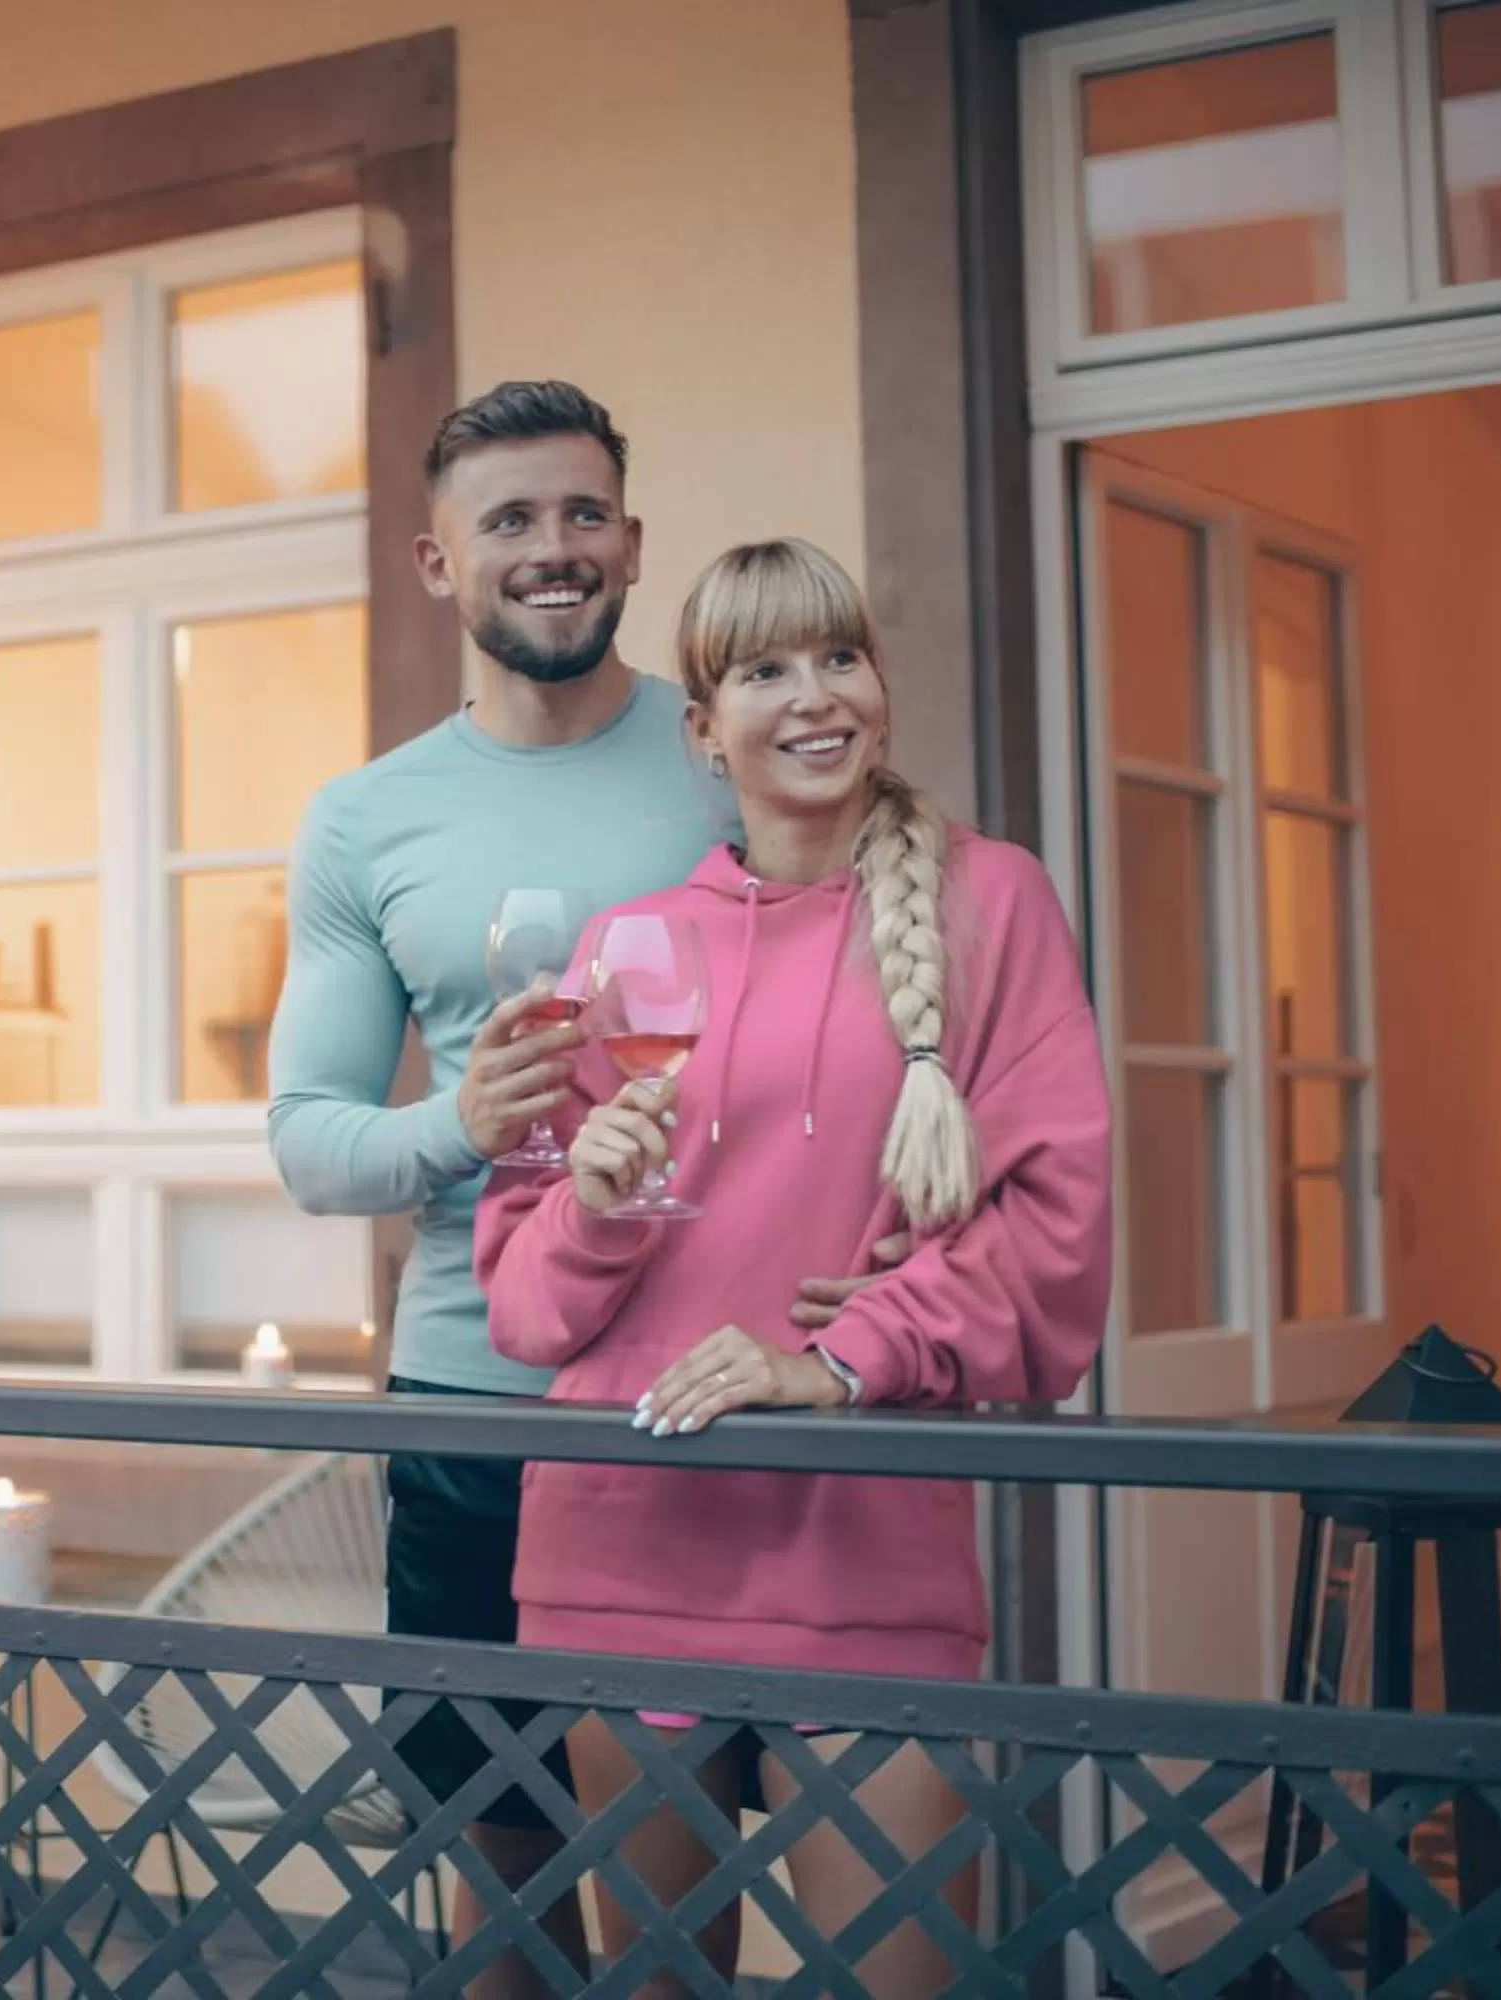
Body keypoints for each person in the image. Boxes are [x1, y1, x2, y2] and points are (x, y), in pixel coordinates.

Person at [472, 537, 1113, 1995]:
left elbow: (1060, 1242)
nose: (813, 697)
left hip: (865, 1540)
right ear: (705, 730)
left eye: (839, 656)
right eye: (763, 670)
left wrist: (841, 1355)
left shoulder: (989, 904)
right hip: (625, 1535)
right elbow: (523, 1303)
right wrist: (598, 1204)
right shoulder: (631, 944)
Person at [266, 380, 750, 1991]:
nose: (556, 550)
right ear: (437, 562)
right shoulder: (365, 819)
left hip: (701, 1396)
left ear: (630, 539)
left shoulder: (730, 756)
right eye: (512, 522)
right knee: (506, 1869)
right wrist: (457, 1125)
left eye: (584, 514)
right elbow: (311, 1139)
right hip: (474, 1401)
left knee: (685, 1879)